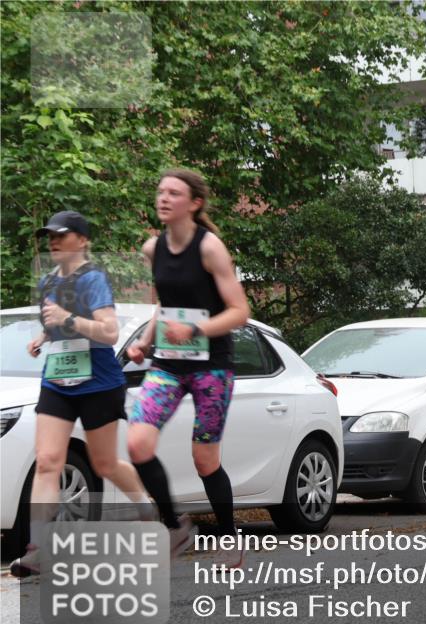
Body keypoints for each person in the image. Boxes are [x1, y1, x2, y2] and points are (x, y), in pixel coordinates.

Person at [11, 211, 151, 578]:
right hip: (57, 380)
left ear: (83, 240)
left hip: (98, 382)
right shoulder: (47, 281)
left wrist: (67, 319)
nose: (53, 241)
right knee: (47, 461)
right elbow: (55, 324)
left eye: (62, 234)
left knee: (105, 464)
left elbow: (108, 332)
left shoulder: (93, 279)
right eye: (50, 235)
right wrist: (42, 337)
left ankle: (146, 508)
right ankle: (38, 547)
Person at [126, 169, 250, 568]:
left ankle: (229, 537)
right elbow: (165, 303)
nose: (163, 198)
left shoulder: (209, 247)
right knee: (137, 444)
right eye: (160, 191)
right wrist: (146, 341)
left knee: (204, 460)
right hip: (168, 362)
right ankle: (173, 526)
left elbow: (240, 312)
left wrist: (195, 330)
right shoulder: (153, 248)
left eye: (173, 193)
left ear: (194, 203)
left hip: (212, 366)